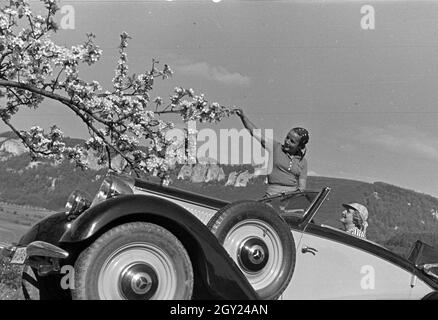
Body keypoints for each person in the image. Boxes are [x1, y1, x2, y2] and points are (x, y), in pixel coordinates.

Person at [234, 108, 309, 197]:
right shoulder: (276, 147)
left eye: (292, 141)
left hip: (290, 198)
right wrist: (243, 117)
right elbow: (256, 133)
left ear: (299, 146)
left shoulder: (303, 162)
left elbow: (302, 188)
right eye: (287, 138)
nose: (287, 142)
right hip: (272, 195)